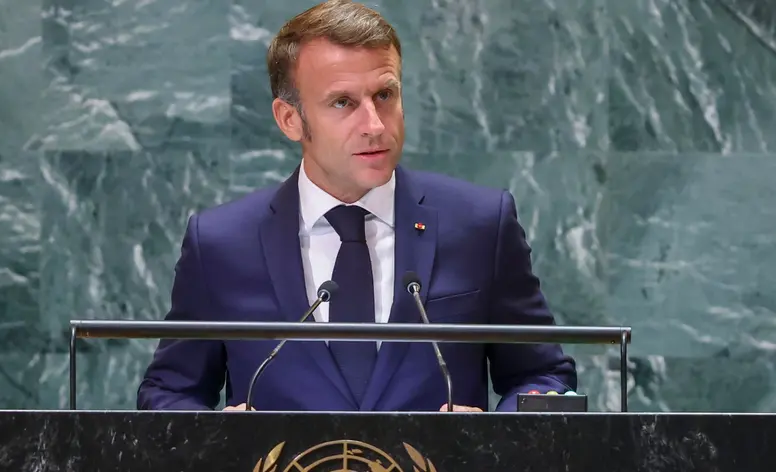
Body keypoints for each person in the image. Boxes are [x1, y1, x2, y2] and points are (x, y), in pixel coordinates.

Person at [137, 0, 577, 412]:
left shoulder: (481, 225)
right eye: (343, 103)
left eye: (385, 95)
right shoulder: (221, 244)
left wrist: (493, 438)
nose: (374, 125)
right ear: (290, 119)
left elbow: (542, 375)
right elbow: (170, 391)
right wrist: (218, 441)